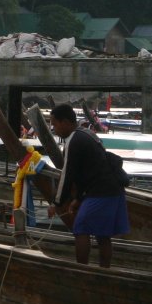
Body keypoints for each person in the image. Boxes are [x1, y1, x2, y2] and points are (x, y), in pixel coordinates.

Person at [47, 103, 130, 267]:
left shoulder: (74, 140)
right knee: (102, 234)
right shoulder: (87, 134)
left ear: (65, 122)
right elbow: (86, 172)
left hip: (101, 191)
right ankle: (104, 271)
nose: (53, 128)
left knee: (81, 228)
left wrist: (56, 203)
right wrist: (78, 198)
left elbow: (67, 175)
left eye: (54, 124)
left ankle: (82, 270)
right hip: (113, 189)